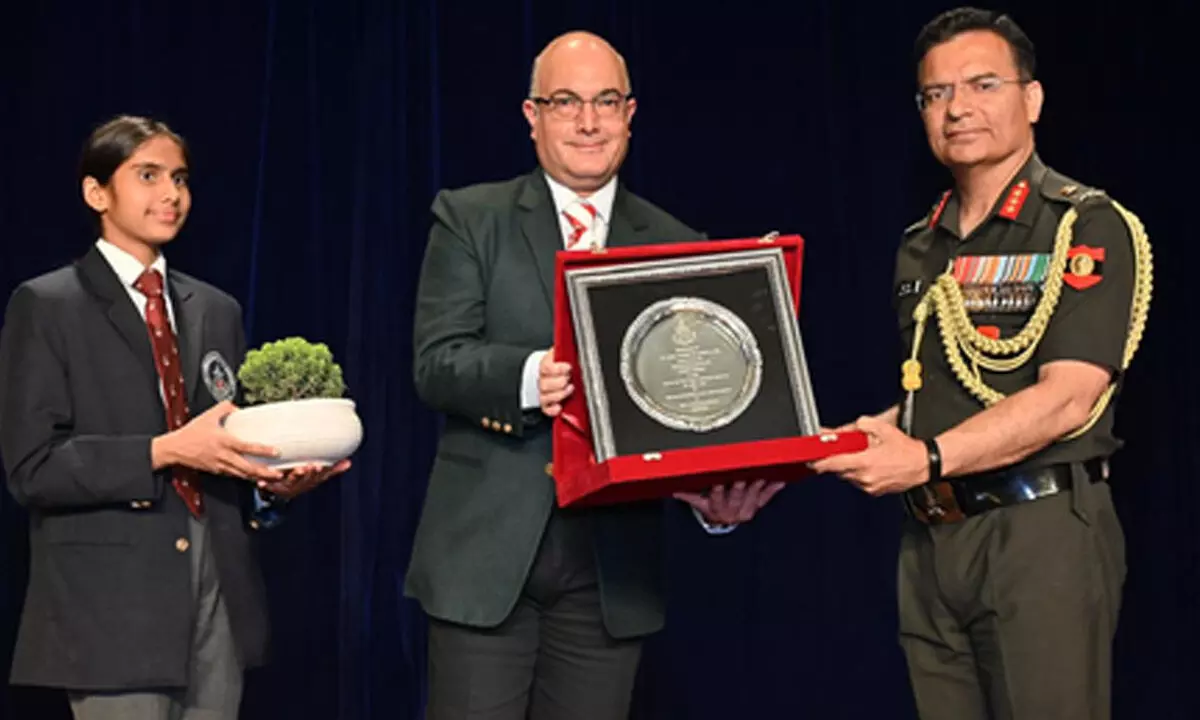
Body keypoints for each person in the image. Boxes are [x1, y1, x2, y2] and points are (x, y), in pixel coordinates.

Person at [407, 30, 784, 720]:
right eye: (566, 102)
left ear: (629, 114)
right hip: (488, 562)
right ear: (533, 116)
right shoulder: (470, 218)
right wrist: (531, 376)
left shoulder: (680, 244)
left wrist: (715, 498)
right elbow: (436, 363)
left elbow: (692, 403)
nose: (588, 122)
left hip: (613, 574)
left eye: (605, 102)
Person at [811, 8, 1151, 719]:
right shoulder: (922, 243)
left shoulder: (1083, 225)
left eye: (982, 85)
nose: (957, 107)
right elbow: (939, 391)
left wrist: (926, 457)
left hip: (1039, 533)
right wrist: (856, 438)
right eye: (935, 94)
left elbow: (1069, 396)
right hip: (933, 536)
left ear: (1033, 99)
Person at [0, 115, 351, 720]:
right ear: (96, 193)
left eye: (180, 178)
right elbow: (33, 468)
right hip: (113, 606)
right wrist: (162, 450)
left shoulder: (216, 309)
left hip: (219, 590)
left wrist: (273, 486)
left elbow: (227, 445)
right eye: (149, 176)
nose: (172, 194)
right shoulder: (48, 305)